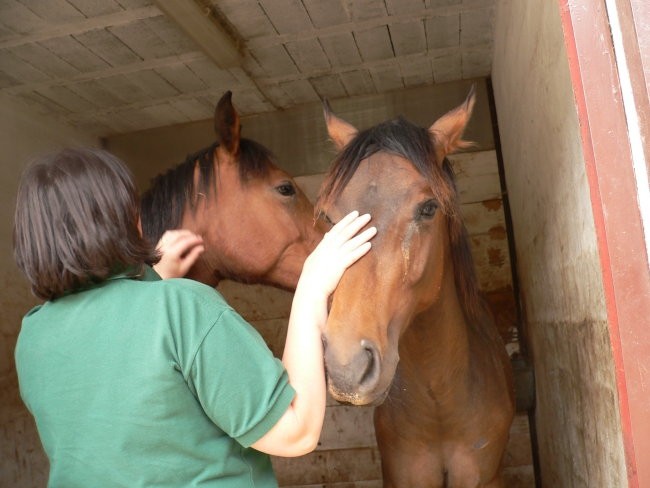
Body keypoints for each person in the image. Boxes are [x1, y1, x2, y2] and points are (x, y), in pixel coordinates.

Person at [13, 147, 376, 487]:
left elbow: (121, 372)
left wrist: (155, 279)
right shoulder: (183, 308)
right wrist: (312, 286)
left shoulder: (33, 335)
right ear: (127, 220)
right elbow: (295, 431)